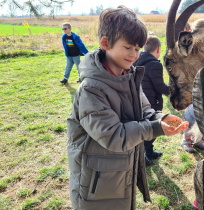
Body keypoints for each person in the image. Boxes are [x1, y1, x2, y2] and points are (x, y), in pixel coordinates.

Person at [67, 6, 188, 210]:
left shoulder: (129, 76)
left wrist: (161, 117)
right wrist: (154, 128)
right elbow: (113, 136)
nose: (134, 54)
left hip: (120, 176)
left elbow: (143, 111)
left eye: (138, 48)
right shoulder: (91, 90)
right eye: (128, 47)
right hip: (95, 187)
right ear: (105, 43)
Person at [133, 36, 170, 166]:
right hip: (151, 103)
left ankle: (149, 152)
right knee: (152, 130)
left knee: (145, 127)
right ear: (158, 49)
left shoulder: (137, 59)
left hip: (138, 101)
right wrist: (174, 89)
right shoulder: (154, 64)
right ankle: (141, 155)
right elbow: (160, 87)